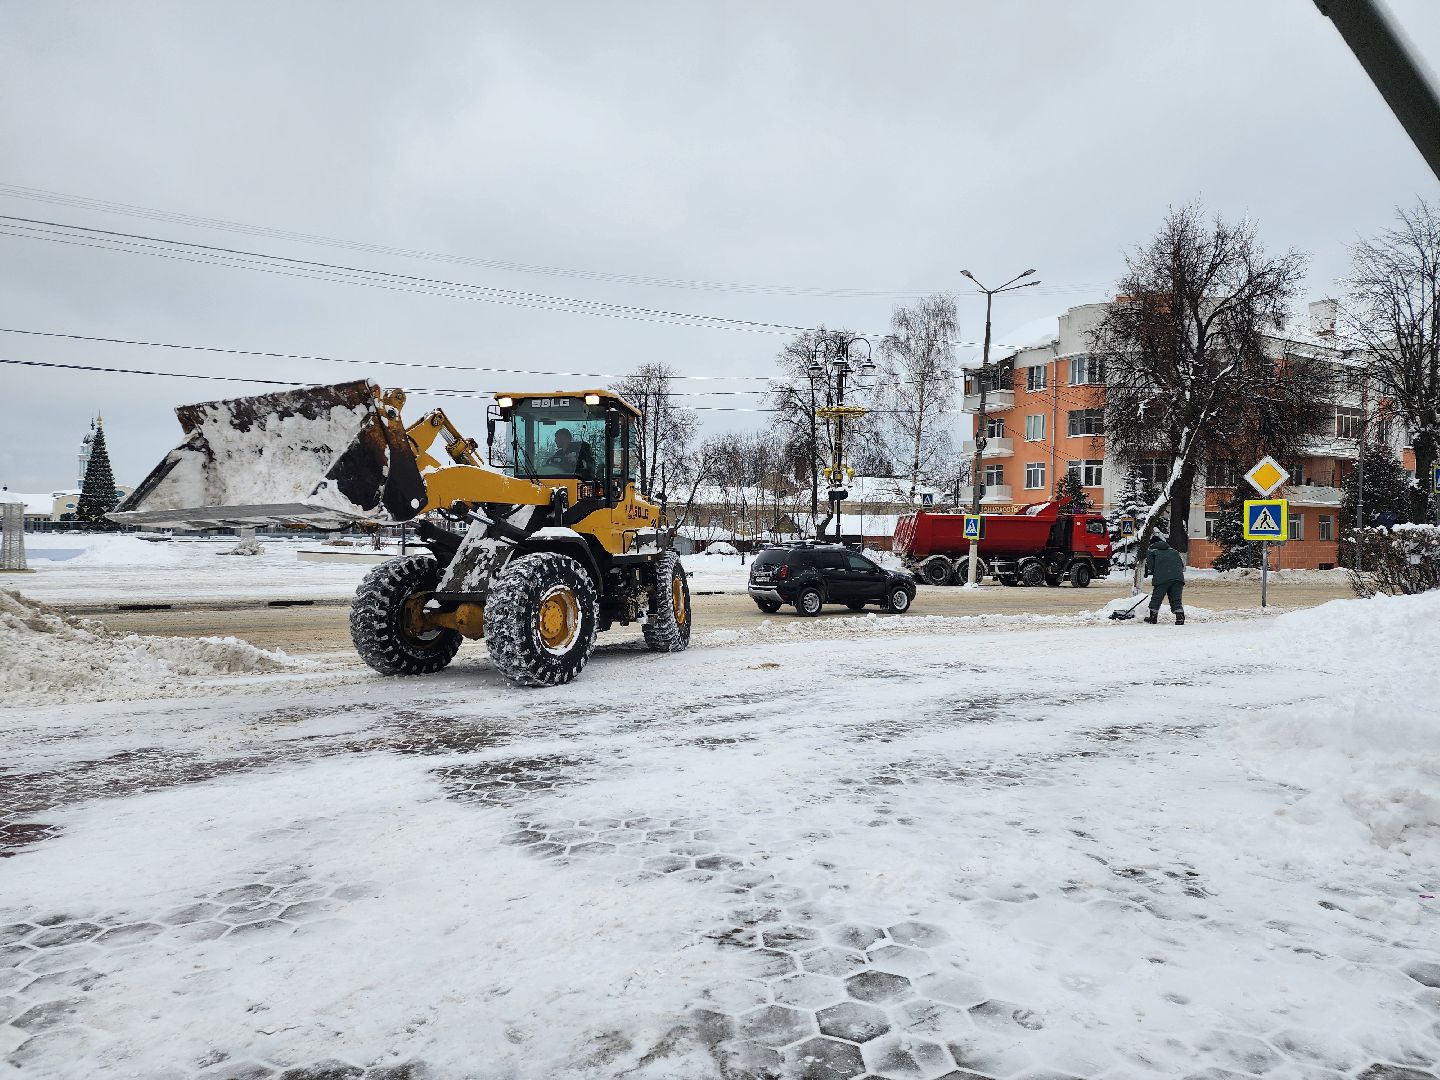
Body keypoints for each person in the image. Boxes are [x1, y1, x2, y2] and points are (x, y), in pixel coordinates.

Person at [1143, 535, 1185, 625]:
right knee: (1176, 599)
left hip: (1162, 578)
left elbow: (1151, 566)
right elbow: (1182, 566)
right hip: (1178, 578)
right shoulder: (1174, 551)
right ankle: (1180, 617)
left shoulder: (1151, 551)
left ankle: (1153, 617)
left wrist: (1151, 571)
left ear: (1152, 544)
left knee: (1156, 598)